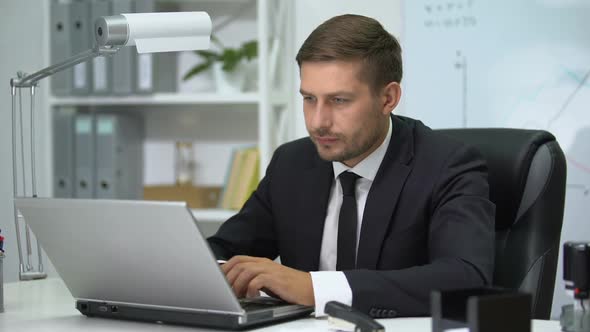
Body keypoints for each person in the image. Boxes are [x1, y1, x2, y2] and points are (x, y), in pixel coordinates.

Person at [207, 14, 495, 318]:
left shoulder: (448, 165)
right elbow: (223, 251)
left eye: (339, 100)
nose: (318, 122)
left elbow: (466, 277)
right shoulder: (291, 163)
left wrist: (315, 289)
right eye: (309, 99)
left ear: (388, 98)